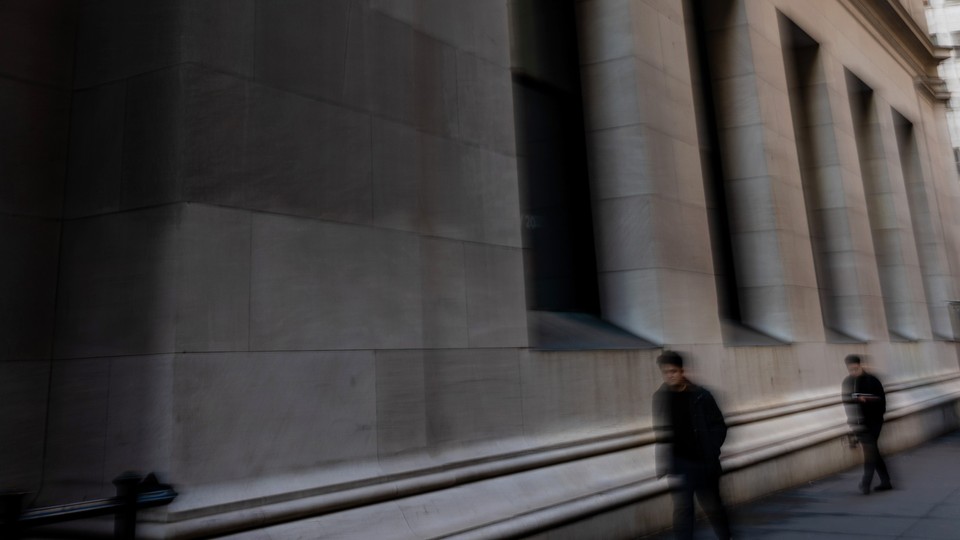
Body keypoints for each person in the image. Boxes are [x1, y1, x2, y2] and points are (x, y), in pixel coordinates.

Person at [653, 351, 732, 540]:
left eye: (673, 371)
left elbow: (719, 425)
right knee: (684, 510)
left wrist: (711, 450)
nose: (670, 375)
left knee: (713, 506)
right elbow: (664, 432)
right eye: (666, 372)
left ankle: (726, 536)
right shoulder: (662, 397)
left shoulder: (701, 396)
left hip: (703, 462)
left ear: (682, 371)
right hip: (680, 463)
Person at [841, 354, 892, 494]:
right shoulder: (848, 382)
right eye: (850, 369)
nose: (853, 372)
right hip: (858, 423)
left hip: (874, 421)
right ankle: (886, 481)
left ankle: (865, 483)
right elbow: (846, 401)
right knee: (873, 451)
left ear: (860, 365)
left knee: (870, 450)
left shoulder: (872, 380)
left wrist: (868, 401)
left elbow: (882, 402)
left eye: (855, 369)